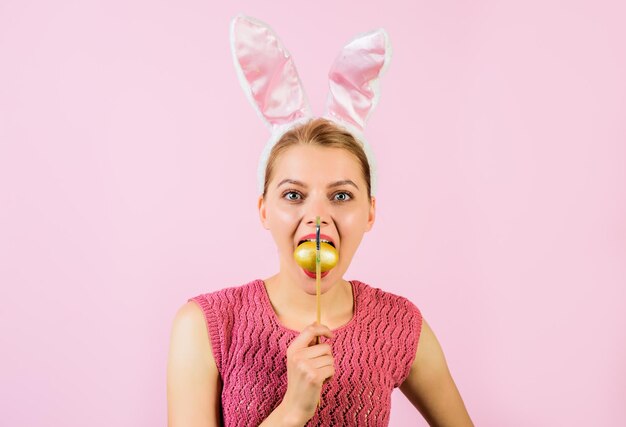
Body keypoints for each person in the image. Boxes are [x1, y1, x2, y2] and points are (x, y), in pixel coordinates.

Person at [167, 15, 473, 427]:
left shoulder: (400, 326)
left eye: (341, 196)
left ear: (369, 213)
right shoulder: (206, 325)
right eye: (294, 195)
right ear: (263, 210)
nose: (317, 218)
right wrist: (294, 409)